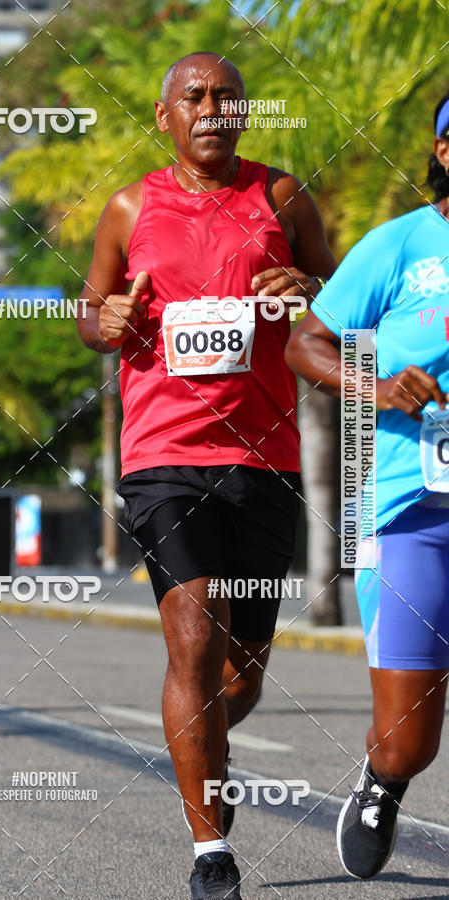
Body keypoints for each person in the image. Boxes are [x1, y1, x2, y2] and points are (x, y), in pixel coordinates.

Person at [77, 52, 335, 899]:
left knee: (241, 671)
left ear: (245, 113)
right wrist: (107, 318)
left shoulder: (283, 196)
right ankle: (210, 852)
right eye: (194, 96)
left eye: (227, 96)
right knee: (192, 636)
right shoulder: (129, 207)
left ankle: (202, 751)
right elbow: (91, 312)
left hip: (265, 456)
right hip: (164, 456)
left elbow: (341, 295)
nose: (212, 108)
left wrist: (308, 285)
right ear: (166, 116)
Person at [284, 90, 449, 881]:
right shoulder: (400, 245)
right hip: (412, 509)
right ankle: (384, 781)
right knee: (409, 740)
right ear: (444, 152)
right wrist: (379, 388)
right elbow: (307, 344)